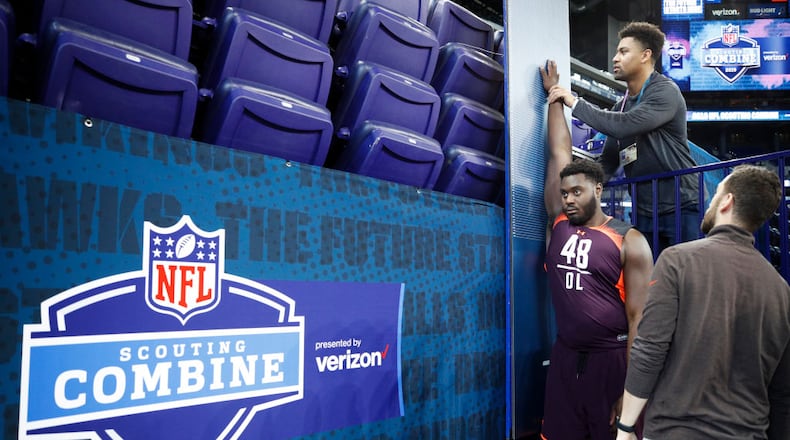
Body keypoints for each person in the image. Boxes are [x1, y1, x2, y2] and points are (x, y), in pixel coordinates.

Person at [614, 164, 790, 440]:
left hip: (676, 430)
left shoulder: (677, 260)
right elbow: (782, 391)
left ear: (727, 201)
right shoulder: (781, 290)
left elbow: (649, 348)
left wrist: (625, 428)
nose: (710, 202)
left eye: (716, 193)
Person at [539, 59, 654, 440]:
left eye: (578, 192)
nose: (569, 199)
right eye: (566, 192)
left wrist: (629, 392)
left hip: (610, 361)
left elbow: (638, 319)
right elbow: (559, 153)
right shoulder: (558, 222)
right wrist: (555, 95)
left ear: (598, 191)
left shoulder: (629, 240)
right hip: (565, 355)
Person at [549, 22, 699, 255]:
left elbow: (624, 125)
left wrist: (574, 102)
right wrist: (579, 187)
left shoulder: (664, 91)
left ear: (645, 55)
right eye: (617, 51)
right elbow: (608, 162)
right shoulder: (620, 107)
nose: (615, 58)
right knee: (650, 284)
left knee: (685, 281)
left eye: (624, 51)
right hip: (645, 211)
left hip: (681, 206)